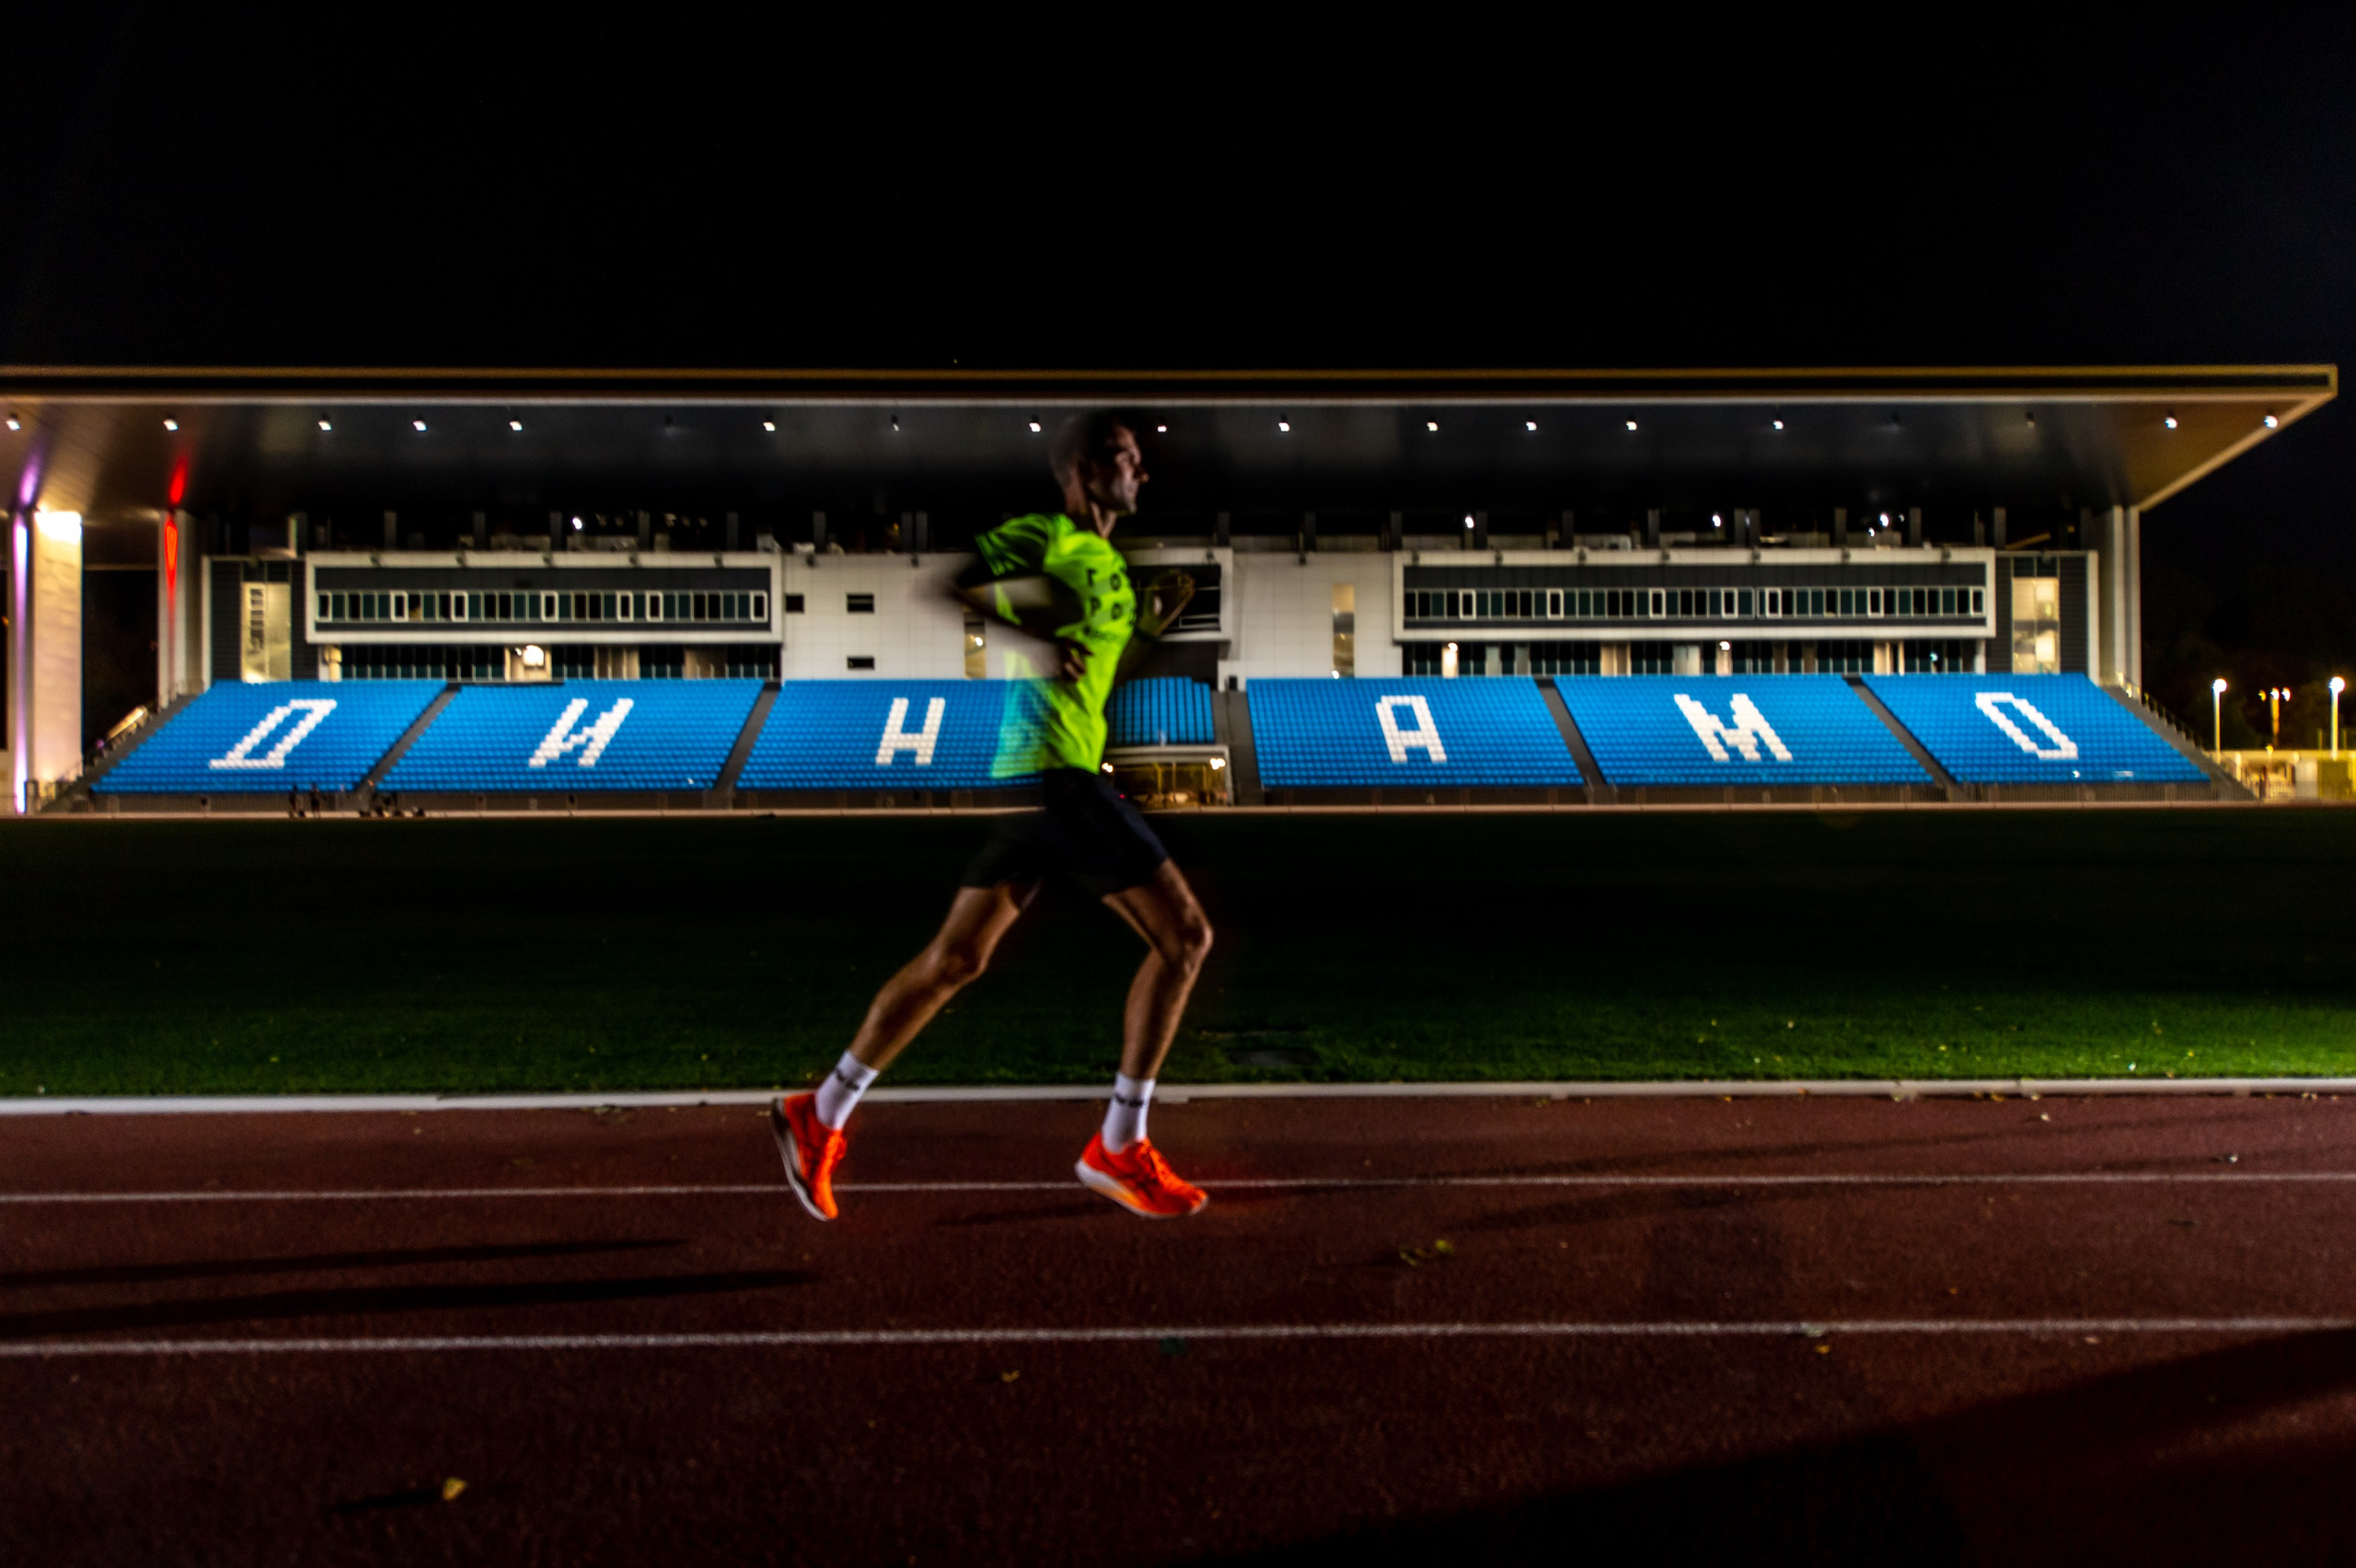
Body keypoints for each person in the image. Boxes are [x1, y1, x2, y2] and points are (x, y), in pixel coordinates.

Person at [770, 411, 1215, 1221]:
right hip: (1051, 771)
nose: (1141, 471)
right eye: (1126, 457)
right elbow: (948, 585)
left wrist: (1147, 630)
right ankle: (1119, 1143)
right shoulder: (1046, 535)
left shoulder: (1113, 568)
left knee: (956, 960)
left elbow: (1094, 673)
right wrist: (1032, 636)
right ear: (1082, 469)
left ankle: (820, 1110)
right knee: (1184, 937)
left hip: (1037, 775)